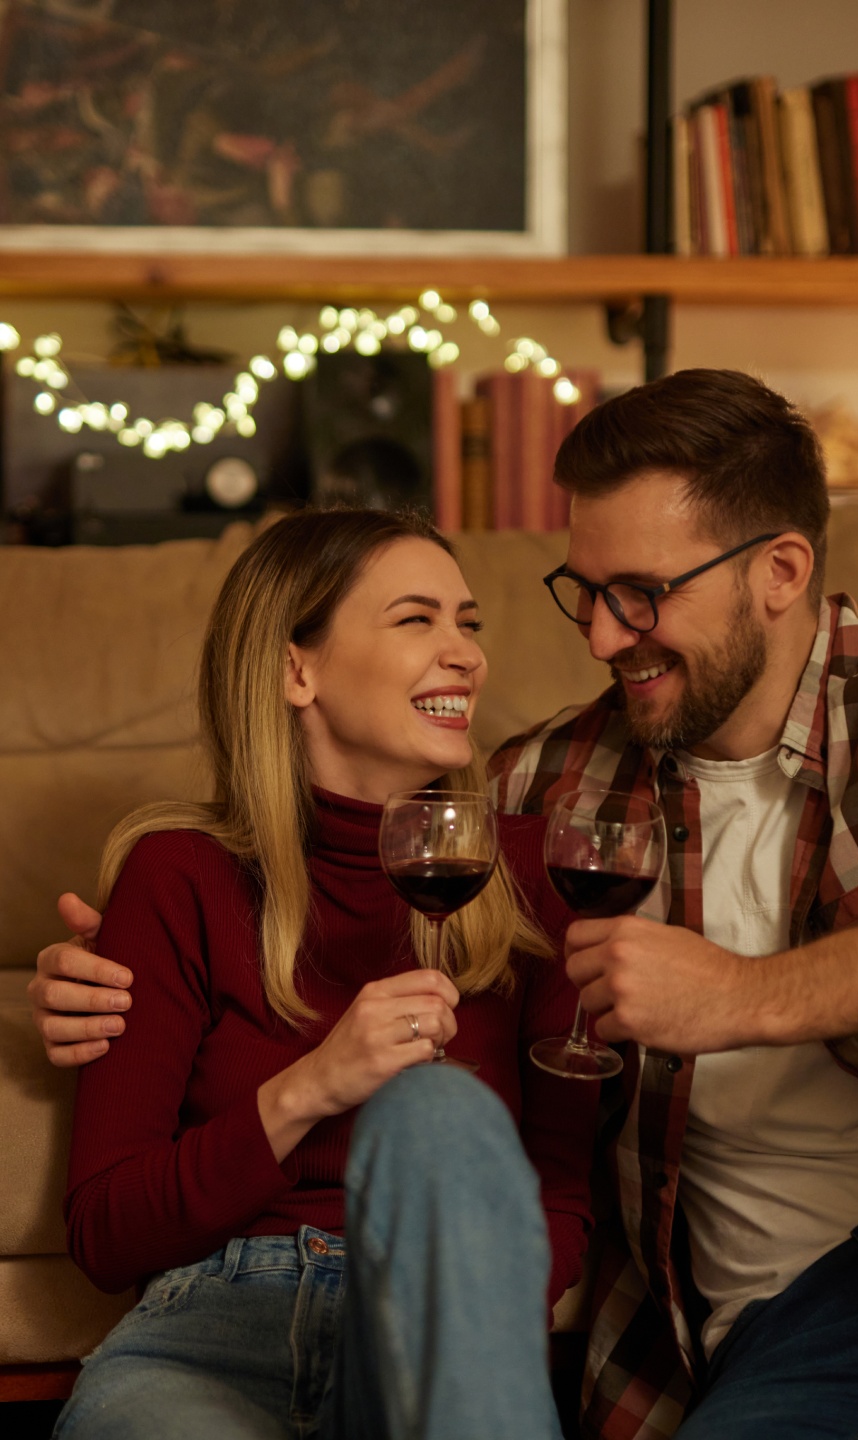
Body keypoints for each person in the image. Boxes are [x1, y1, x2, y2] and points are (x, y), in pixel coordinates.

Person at [33, 371, 858, 1439]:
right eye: (583, 595)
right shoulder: (540, 794)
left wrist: (746, 996)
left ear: (779, 573)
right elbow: (330, 848)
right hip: (801, 1338)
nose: (598, 638)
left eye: (640, 595)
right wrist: (97, 970)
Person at [40, 507, 596, 1440]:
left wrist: (468, 1319)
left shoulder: (532, 875)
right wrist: (312, 1086)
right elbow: (105, 1232)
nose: (464, 653)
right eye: (417, 619)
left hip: (433, 1342)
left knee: (441, 1111)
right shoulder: (180, 874)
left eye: (469, 623)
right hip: (208, 1337)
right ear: (298, 669)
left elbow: (561, 1199)